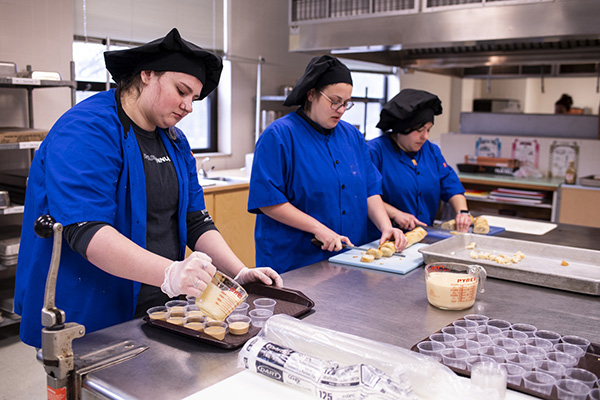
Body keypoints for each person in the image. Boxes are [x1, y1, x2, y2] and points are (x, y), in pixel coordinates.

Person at [14, 28, 281, 349]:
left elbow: (195, 220)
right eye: (181, 91)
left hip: (158, 307)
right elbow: (87, 231)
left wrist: (239, 272)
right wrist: (170, 272)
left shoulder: (175, 142)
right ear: (147, 74)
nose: (188, 106)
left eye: (194, 98)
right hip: (90, 310)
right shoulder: (86, 129)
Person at [248, 55, 406, 274]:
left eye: (346, 103)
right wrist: (318, 229)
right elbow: (269, 201)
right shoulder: (279, 136)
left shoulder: (352, 136)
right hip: (294, 260)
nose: (341, 109)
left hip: (349, 258)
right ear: (311, 94)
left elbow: (369, 190)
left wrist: (386, 226)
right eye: (334, 101)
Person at [367, 89, 471, 233]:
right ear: (402, 128)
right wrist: (395, 214)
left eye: (428, 130)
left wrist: (462, 212)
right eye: (420, 130)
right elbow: (365, 194)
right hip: (383, 238)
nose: (425, 136)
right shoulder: (375, 152)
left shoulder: (431, 151)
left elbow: (450, 185)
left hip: (423, 235)